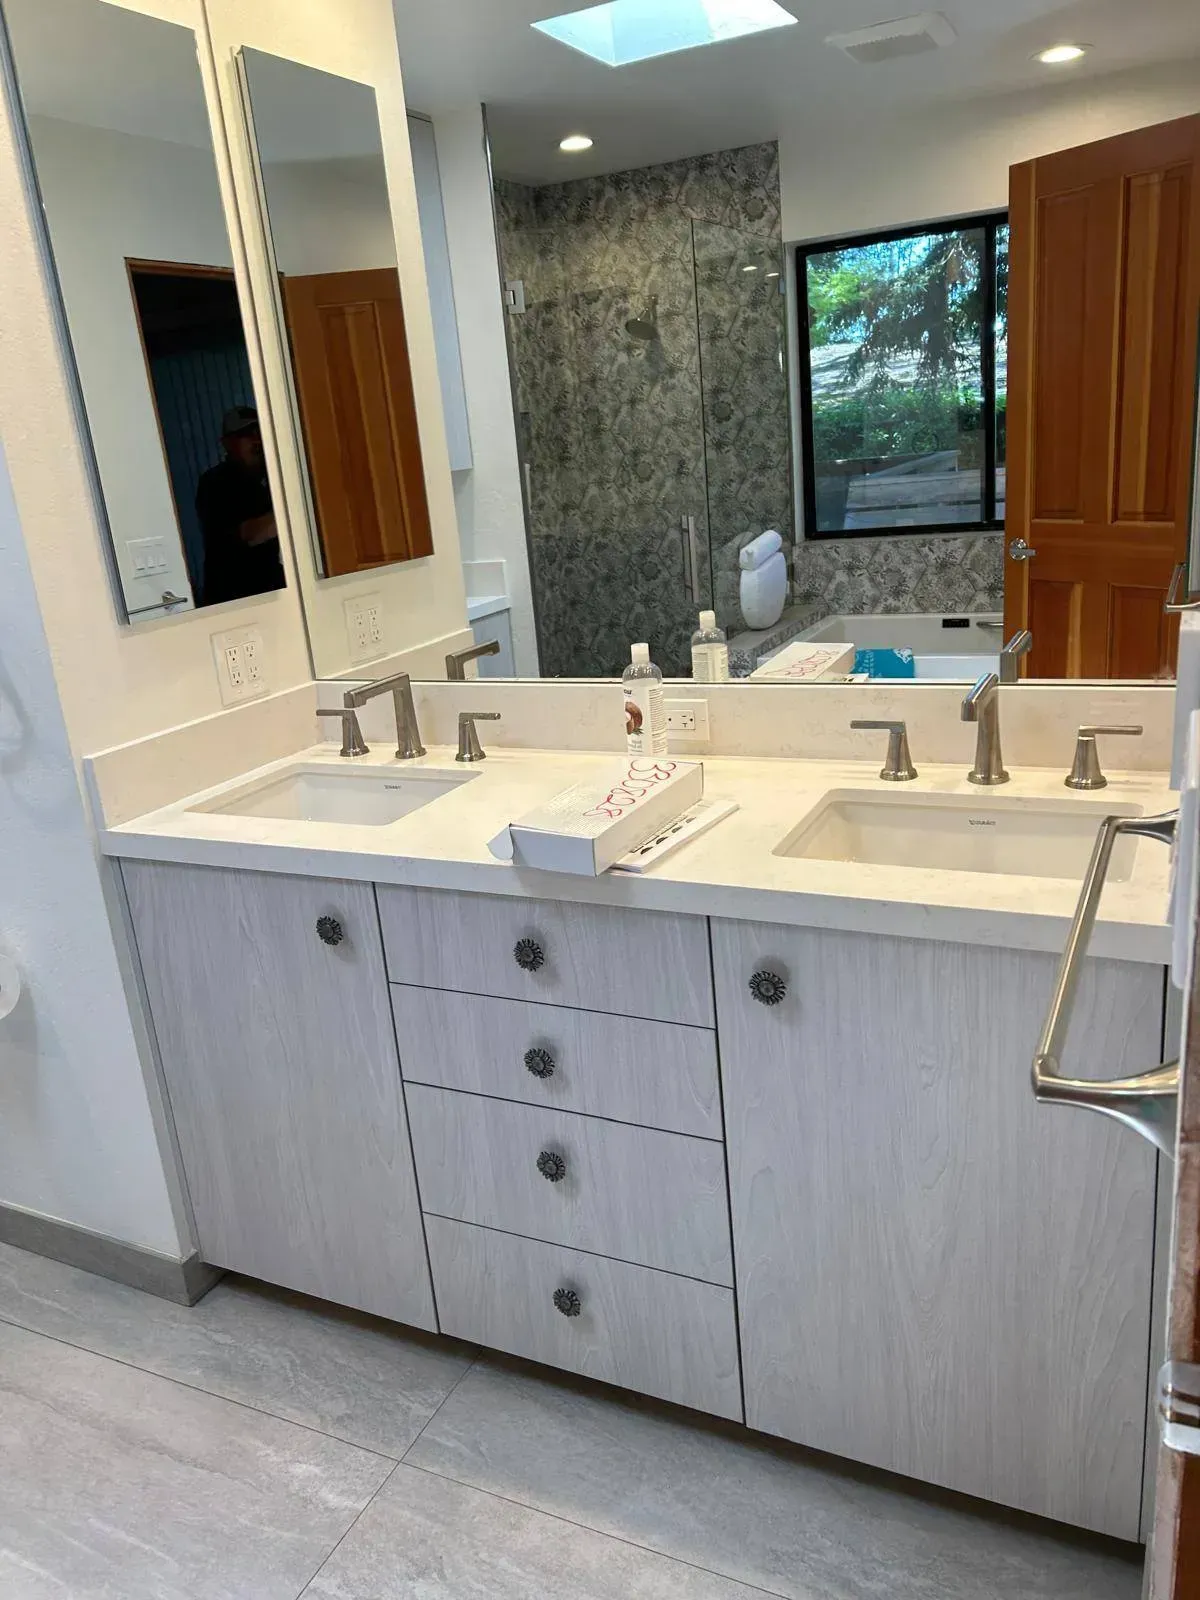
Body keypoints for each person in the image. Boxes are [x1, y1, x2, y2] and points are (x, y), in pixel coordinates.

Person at [195, 406, 285, 605]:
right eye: (246, 435)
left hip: (273, 592)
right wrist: (295, 508)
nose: (256, 441)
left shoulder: (271, 477)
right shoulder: (215, 483)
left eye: (260, 432)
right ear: (227, 443)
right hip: (234, 598)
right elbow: (250, 534)